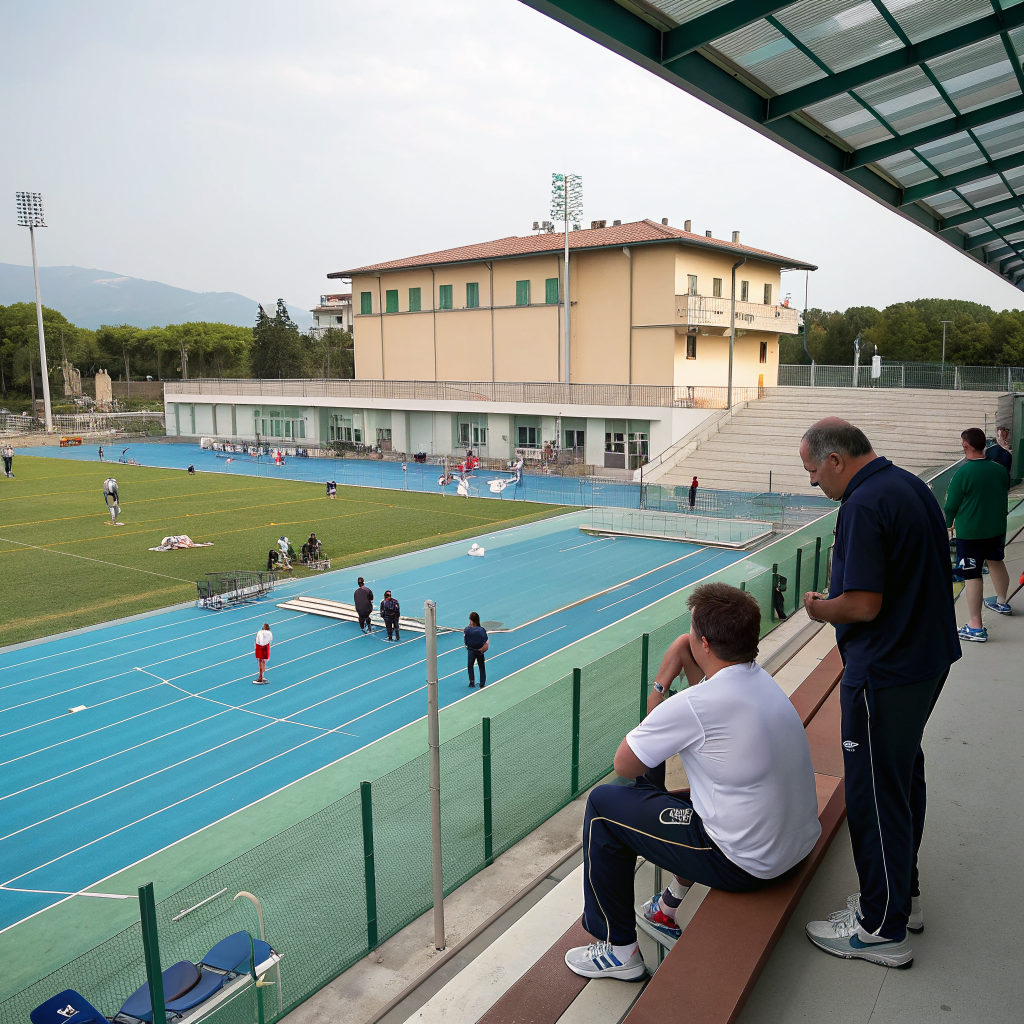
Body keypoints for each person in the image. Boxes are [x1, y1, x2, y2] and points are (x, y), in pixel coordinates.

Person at [563, 583, 820, 981]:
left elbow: (625, 766)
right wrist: (687, 644)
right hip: (793, 845)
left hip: (748, 865)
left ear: (704, 643)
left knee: (604, 806)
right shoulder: (759, 683)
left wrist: (657, 693)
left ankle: (619, 951)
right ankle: (665, 907)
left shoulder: (696, 705)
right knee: (684, 804)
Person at [799, 418, 960, 968]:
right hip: (922, 661)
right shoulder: (908, 485)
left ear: (837, 460)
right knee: (900, 775)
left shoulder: (863, 506)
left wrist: (822, 608)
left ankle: (878, 928)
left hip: (885, 669)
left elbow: (863, 604)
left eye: (814, 473)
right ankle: (900, 898)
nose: (814, 483)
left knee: (873, 792)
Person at [945, 426, 1011, 640]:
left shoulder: (962, 473)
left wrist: (946, 525)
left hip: (971, 534)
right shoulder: (1000, 470)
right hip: (996, 529)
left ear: (966, 445)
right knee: (996, 561)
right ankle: (1002, 601)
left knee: (972, 575)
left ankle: (975, 626)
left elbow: (950, 507)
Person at [464, 612, 488, 687]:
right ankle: (482, 683)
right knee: (481, 666)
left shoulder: (467, 629)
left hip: (471, 650)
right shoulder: (481, 630)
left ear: (471, 620)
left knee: (470, 666)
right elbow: (485, 640)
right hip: (480, 650)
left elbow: (466, 640)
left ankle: (471, 682)